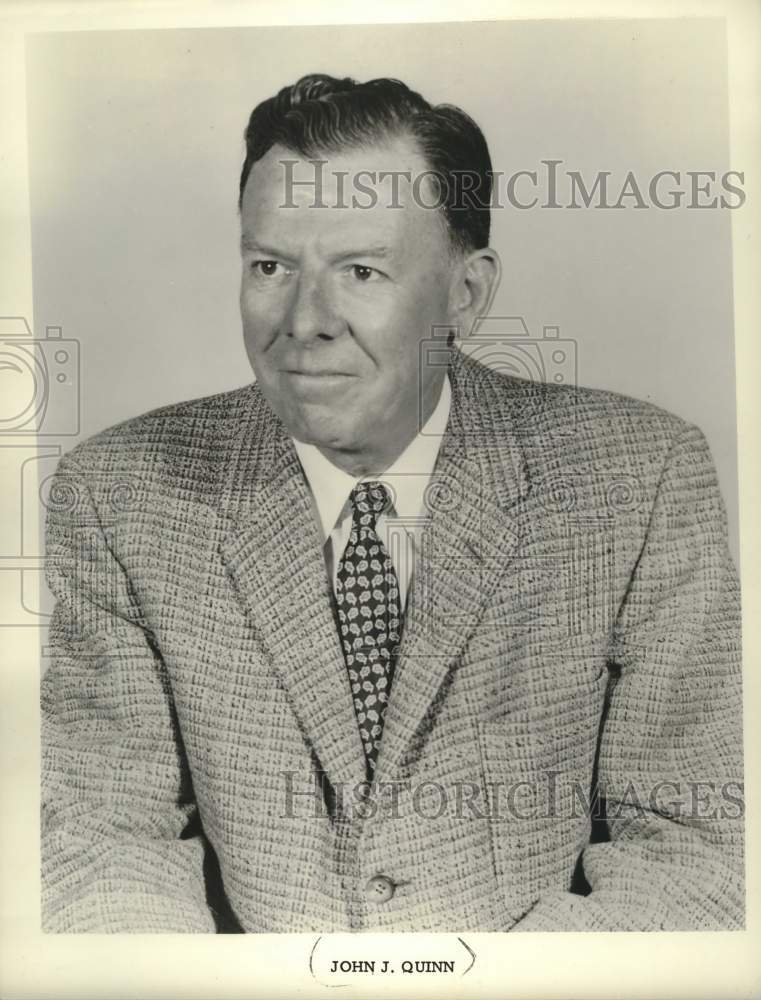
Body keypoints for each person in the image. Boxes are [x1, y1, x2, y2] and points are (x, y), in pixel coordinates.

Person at [41, 73, 743, 933]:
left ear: (466, 295)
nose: (305, 321)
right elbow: (101, 840)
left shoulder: (639, 478)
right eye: (270, 266)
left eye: (361, 270)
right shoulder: (118, 495)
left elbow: (700, 848)